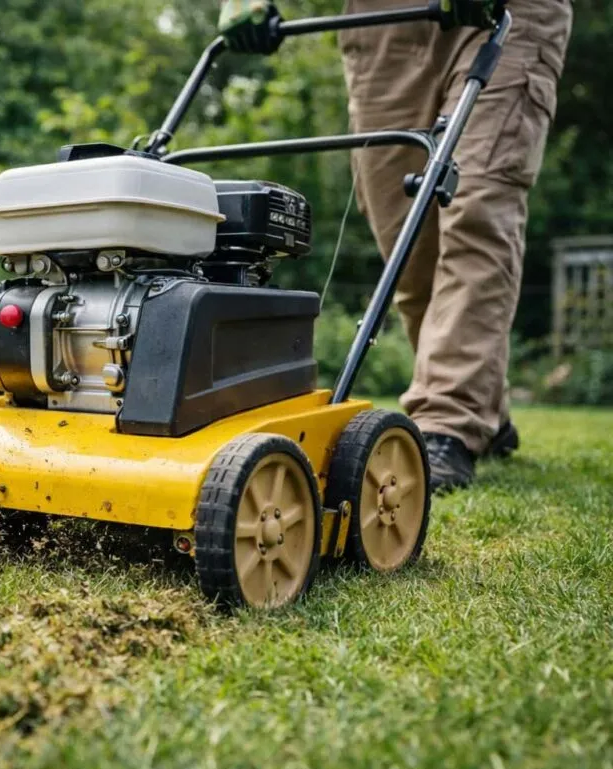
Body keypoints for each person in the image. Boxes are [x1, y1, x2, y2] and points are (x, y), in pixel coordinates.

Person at [217, 0, 573, 493]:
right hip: (384, 19)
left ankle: (450, 419)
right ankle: (483, 402)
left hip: (508, 12)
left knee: (478, 205)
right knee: (406, 233)